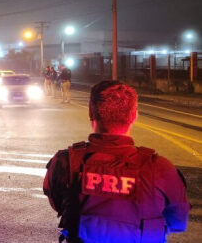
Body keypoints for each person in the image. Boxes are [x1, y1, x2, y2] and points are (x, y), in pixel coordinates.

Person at [43, 81, 190, 243]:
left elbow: (59, 205)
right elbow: (178, 222)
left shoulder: (66, 162)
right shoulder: (161, 169)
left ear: (91, 112)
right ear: (134, 115)